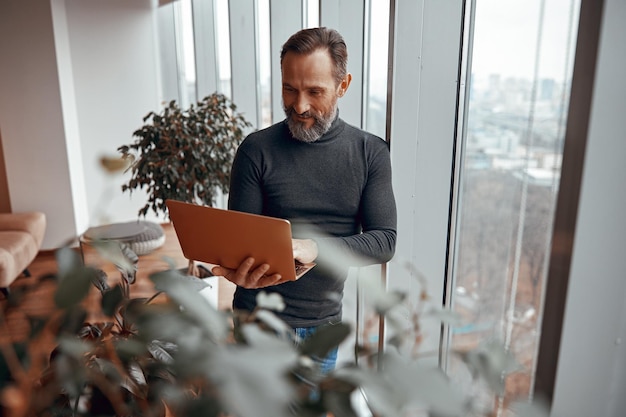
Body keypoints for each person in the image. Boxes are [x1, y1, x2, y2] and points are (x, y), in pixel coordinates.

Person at [210, 27, 397, 373]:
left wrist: (316, 247)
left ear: (343, 86)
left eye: (315, 91)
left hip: (320, 327)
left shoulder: (370, 153)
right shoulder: (256, 150)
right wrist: (240, 273)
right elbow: (242, 241)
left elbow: (385, 241)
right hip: (256, 318)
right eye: (289, 89)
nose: (299, 106)